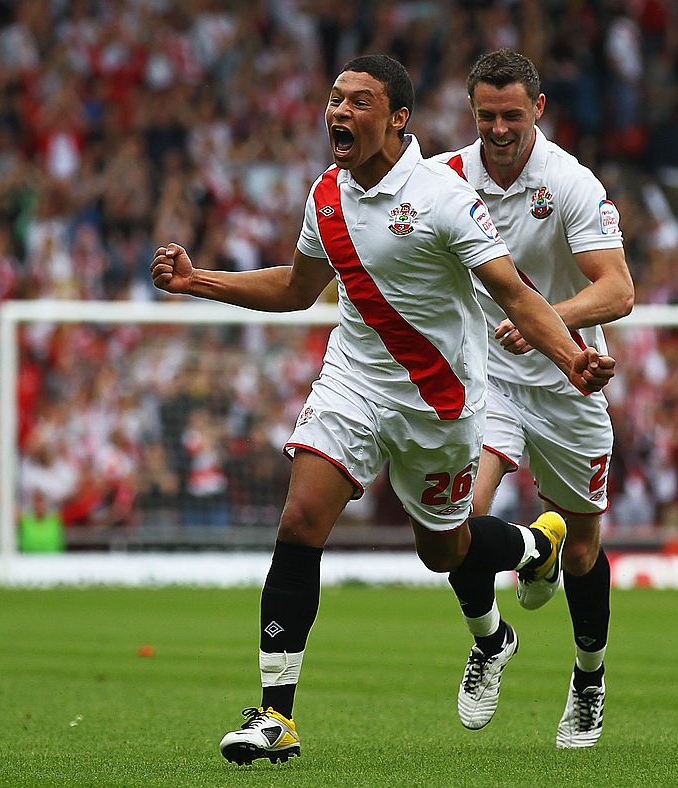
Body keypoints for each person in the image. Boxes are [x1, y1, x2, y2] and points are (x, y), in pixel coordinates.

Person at [150, 54, 615, 766]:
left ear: (398, 119)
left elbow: (517, 296)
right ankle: (277, 716)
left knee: (444, 551)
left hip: (440, 404)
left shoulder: (444, 199)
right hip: (354, 382)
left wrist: (570, 358)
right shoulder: (326, 195)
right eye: (335, 99)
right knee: (301, 519)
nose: (340, 112)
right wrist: (198, 280)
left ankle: (529, 553)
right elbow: (297, 289)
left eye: (360, 102)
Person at [432, 49, 634, 748]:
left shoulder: (569, 182)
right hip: (484, 379)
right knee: (453, 524)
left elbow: (619, 290)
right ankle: (491, 641)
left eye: (510, 114)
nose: (497, 128)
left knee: (582, 551)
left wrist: (550, 320)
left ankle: (587, 680)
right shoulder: (445, 177)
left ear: (537, 110)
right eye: (485, 115)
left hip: (568, 379)